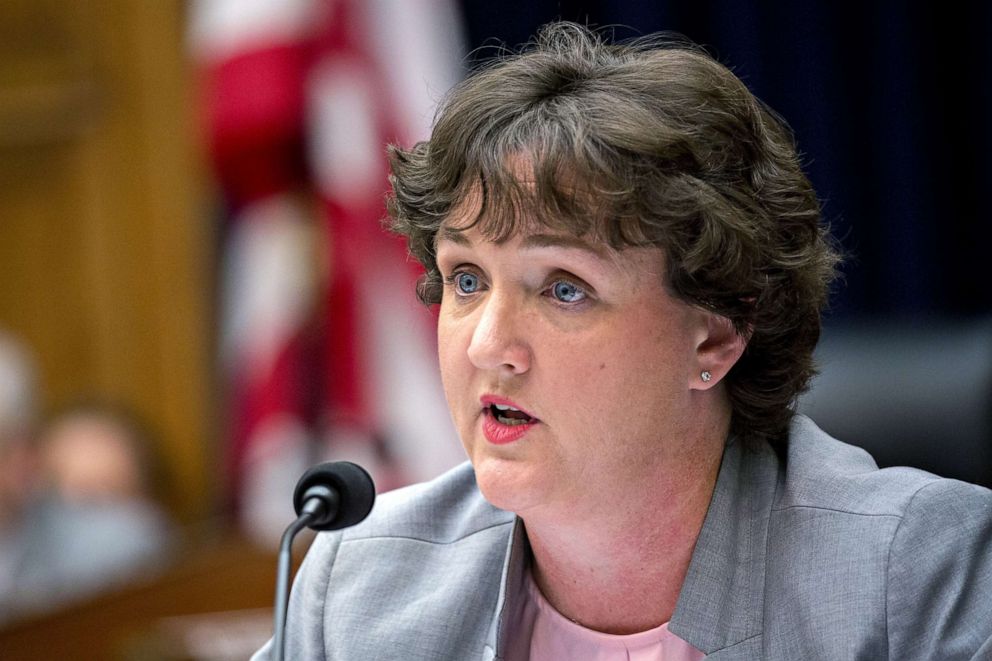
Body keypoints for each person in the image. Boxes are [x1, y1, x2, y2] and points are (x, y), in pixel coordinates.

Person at [253, 22, 992, 660]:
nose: (488, 346)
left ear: (717, 334)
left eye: (563, 288)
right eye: (468, 279)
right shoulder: (361, 581)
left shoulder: (920, 574)